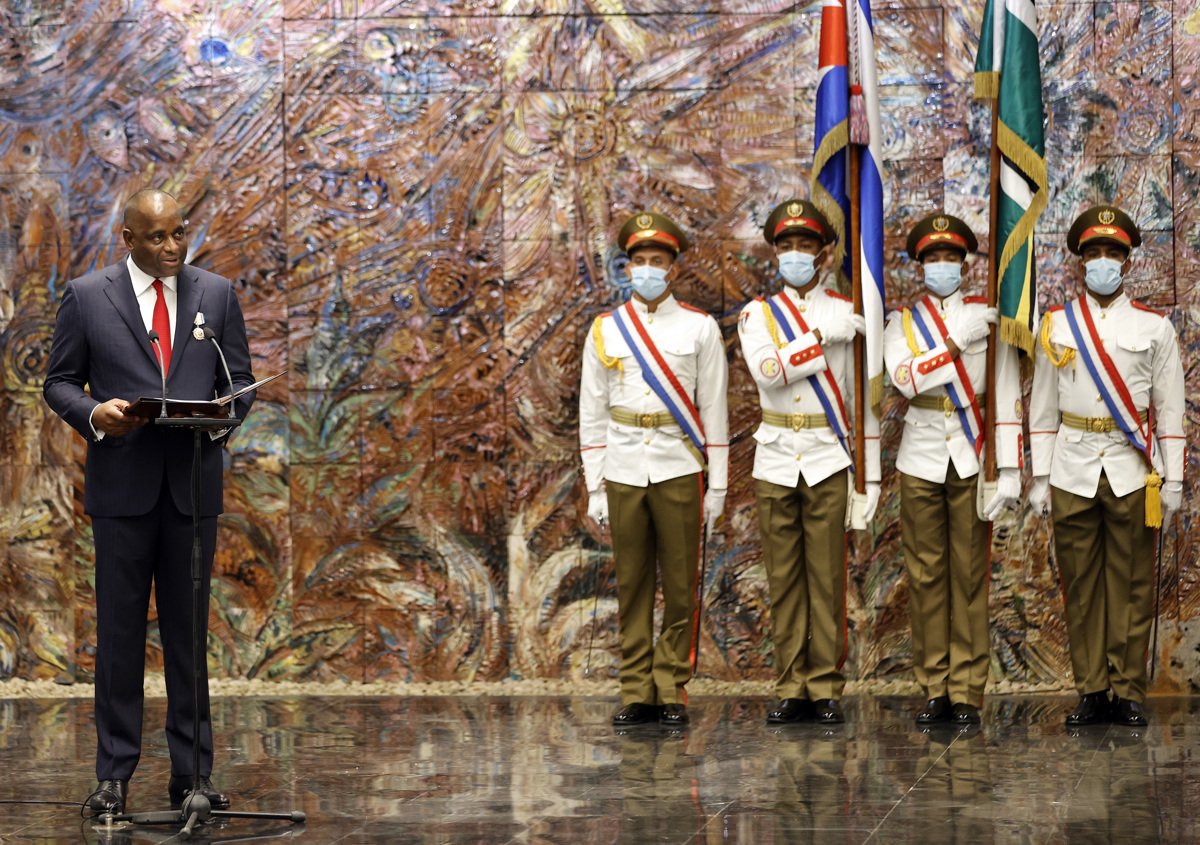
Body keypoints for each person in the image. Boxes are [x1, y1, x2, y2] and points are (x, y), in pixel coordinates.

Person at [43, 188, 255, 813]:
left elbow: (238, 379)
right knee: (119, 635)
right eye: (157, 237)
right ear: (128, 239)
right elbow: (58, 382)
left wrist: (220, 417)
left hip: (191, 488)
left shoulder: (215, 294)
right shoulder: (87, 297)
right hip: (122, 489)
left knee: (190, 636)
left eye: (179, 233)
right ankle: (113, 777)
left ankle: (192, 777)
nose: (171, 247)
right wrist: (94, 415)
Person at [1029, 205, 1184, 727]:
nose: (1102, 261)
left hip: (1131, 469)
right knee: (1081, 583)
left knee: (1134, 582)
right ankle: (1092, 688)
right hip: (1072, 467)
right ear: (1079, 262)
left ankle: (1128, 689)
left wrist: (1176, 477)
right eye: (1093, 253)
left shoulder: (1154, 327)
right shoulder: (1055, 326)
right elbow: (1043, 407)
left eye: (1111, 253)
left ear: (1127, 261)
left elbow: (1171, 409)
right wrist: (1039, 473)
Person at [579, 211, 728, 729]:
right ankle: (636, 688)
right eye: (638, 261)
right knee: (633, 584)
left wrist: (719, 486)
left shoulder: (699, 327)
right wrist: (595, 485)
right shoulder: (605, 331)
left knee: (682, 586)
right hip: (623, 466)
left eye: (657, 261)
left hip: (679, 465)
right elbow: (592, 410)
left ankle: (672, 688)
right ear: (627, 267)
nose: (647, 270)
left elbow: (714, 410)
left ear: (673, 267)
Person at [736, 199, 880, 726]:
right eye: (787, 246)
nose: (795, 254)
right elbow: (769, 372)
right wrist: (819, 339)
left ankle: (825, 686)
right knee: (784, 579)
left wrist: (869, 476)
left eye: (805, 246)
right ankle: (791, 683)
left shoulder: (847, 309)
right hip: (775, 459)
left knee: (826, 578)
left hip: (825, 457)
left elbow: (860, 397)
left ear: (824, 254)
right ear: (775, 252)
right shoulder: (757, 314)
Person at [882, 212, 1022, 727]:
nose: (942, 266)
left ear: (964, 263)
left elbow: (1004, 391)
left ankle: (967, 689)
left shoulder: (987, 316)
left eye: (950, 257)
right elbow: (905, 380)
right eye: (932, 258)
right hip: (919, 456)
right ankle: (935, 686)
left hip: (972, 453)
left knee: (968, 576)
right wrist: (955, 343)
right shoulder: (902, 323)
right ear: (920, 266)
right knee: (924, 576)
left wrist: (1008, 467)